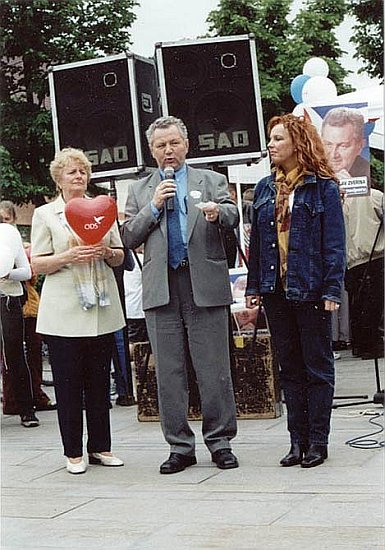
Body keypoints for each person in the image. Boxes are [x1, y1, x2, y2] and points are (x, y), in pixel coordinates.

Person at [122, 115, 239, 474]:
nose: (168, 151)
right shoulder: (140, 189)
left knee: (214, 369)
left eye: (173, 143)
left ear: (186, 145)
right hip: (162, 288)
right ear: (152, 151)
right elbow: (127, 236)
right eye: (160, 145)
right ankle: (179, 446)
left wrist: (219, 213)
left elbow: (235, 216)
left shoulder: (213, 179)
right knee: (168, 373)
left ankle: (220, 442)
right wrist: (154, 205)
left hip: (203, 283)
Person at [245, 114, 346, 468]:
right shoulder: (263, 189)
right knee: (288, 367)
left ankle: (318, 441)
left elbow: (334, 244)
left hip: (311, 288)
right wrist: (253, 286)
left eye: (277, 139)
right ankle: (296, 441)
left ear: (296, 144)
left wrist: (332, 289)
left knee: (317, 366)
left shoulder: (323, 187)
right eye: (271, 140)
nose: (270, 146)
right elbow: (257, 242)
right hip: (276, 290)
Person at [31, 147, 125, 475]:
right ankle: (73, 453)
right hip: (64, 313)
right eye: (72, 172)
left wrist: (106, 251)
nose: (79, 177)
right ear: (59, 179)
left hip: (101, 309)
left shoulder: (104, 208)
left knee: (100, 383)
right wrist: (67, 257)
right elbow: (37, 263)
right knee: (69, 386)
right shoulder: (45, 215)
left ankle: (101, 447)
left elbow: (120, 255)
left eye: (83, 171)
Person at [0, 218, 39, 427]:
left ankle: (27, 410)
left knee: (14, 353)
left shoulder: (8, 235)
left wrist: (7, 273)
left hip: (7, 300)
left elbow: (27, 271)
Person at [343, 186, 383, 359]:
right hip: (375, 255)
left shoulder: (341, 200)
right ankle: (373, 345)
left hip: (351, 259)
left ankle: (360, 345)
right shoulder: (376, 196)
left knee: (357, 304)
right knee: (374, 304)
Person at [321, 106, 369, 180]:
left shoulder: (370, 175)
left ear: (360, 145)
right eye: (328, 144)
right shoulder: (309, 169)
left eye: (343, 146)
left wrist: (352, 188)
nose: (334, 155)